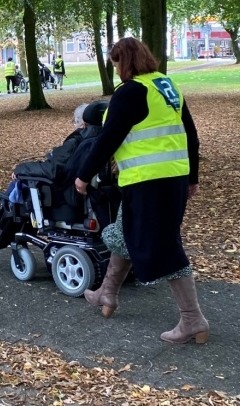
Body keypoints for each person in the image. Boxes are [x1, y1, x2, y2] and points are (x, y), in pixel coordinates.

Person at [74, 37, 207, 345]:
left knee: (164, 245)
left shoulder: (131, 92)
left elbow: (108, 139)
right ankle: (107, 294)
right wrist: (192, 178)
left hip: (149, 181)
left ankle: (192, 319)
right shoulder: (166, 86)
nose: (116, 69)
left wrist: (83, 175)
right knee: (126, 232)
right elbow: (191, 135)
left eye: (116, 63)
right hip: (171, 178)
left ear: (125, 62)